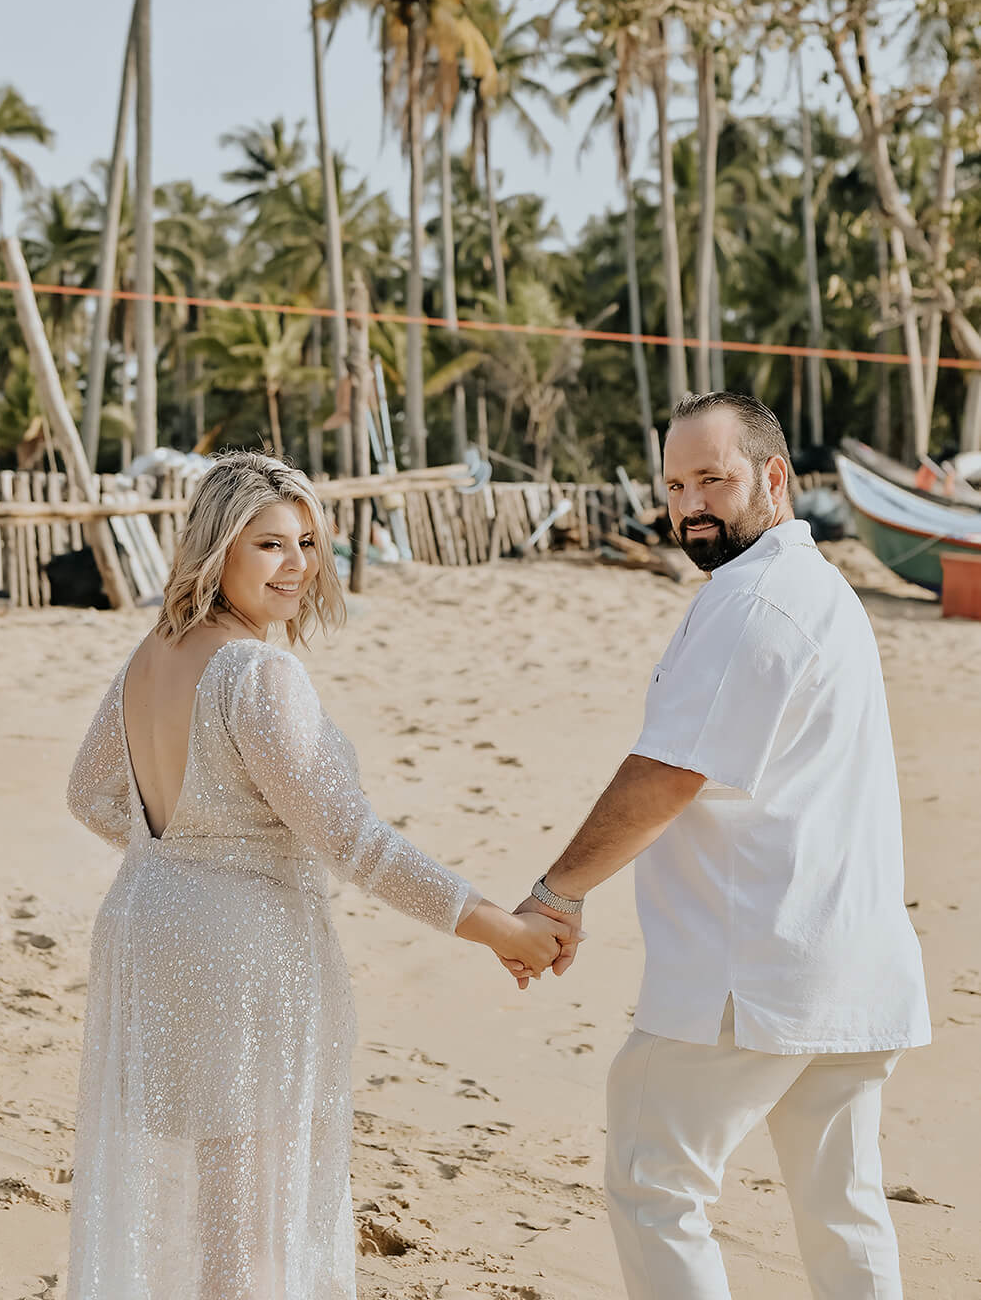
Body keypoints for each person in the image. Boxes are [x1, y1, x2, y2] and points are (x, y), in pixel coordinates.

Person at [65, 450, 564, 1300]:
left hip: (148, 930)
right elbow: (356, 844)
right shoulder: (258, 673)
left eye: (306, 541)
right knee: (253, 1218)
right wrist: (503, 929)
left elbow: (88, 796)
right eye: (268, 545)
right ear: (215, 548)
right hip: (242, 955)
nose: (297, 565)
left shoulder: (151, 655)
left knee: (204, 1195)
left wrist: (184, 855)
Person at [519, 391, 930, 1299]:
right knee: (843, 1210)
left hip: (759, 969)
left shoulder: (756, 600)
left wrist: (558, 891)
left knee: (653, 1181)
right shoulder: (817, 587)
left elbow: (670, 772)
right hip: (849, 957)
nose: (690, 503)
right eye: (675, 485)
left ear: (773, 478)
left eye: (714, 478)